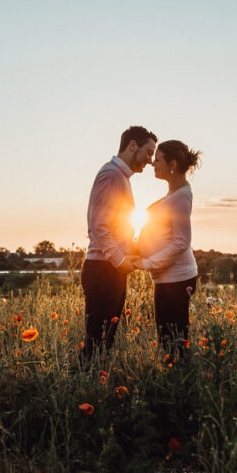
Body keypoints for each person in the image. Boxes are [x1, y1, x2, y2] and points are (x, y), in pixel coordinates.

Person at [81, 126, 157, 357]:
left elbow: (116, 227)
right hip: (103, 268)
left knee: (105, 339)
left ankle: (96, 385)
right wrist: (119, 260)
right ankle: (84, 386)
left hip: (110, 267)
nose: (150, 160)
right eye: (148, 152)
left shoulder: (119, 177)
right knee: (97, 341)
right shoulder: (112, 175)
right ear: (132, 145)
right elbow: (99, 226)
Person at [135, 140, 201, 347]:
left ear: (172, 164)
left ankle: (181, 378)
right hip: (167, 278)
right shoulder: (173, 194)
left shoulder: (181, 197)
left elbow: (181, 242)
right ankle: (176, 376)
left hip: (177, 279)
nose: (153, 164)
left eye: (157, 160)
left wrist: (147, 262)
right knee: (168, 339)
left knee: (174, 342)